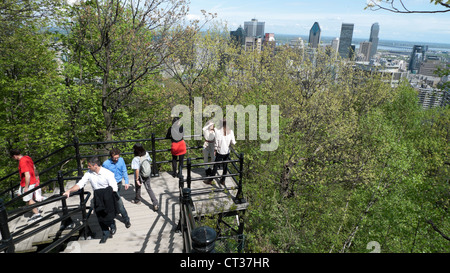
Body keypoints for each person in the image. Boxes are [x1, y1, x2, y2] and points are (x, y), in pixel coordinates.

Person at [63, 157, 118, 244]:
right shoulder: (89, 173)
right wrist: (69, 190)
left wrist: (109, 198)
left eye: (89, 166)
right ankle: (105, 233)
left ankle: (112, 223)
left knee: (108, 214)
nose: (88, 167)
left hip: (107, 194)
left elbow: (114, 187)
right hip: (97, 195)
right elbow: (80, 184)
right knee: (99, 215)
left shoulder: (107, 173)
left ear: (95, 165)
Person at [10, 149, 43, 224]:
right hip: (28, 181)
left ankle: (37, 215)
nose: (13, 159)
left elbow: (27, 175)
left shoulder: (22, 161)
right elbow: (34, 168)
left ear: (15, 156)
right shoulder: (27, 157)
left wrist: (26, 187)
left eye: (13, 157)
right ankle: (36, 207)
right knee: (22, 195)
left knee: (28, 199)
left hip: (28, 183)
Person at [102, 148, 131, 228]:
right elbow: (103, 176)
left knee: (115, 200)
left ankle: (117, 210)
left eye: (117, 157)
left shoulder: (121, 160)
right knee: (119, 203)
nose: (117, 159)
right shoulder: (106, 164)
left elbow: (124, 170)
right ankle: (126, 219)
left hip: (119, 183)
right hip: (111, 186)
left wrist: (127, 181)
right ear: (111, 156)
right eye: (115, 158)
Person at [204, 119, 236, 186]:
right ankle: (223, 180)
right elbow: (233, 142)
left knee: (215, 166)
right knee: (225, 166)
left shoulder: (218, 132)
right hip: (227, 151)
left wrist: (215, 150)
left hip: (220, 151)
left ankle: (210, 180)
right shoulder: (230, 131)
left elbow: (216, 143)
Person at [130, 143, 159, 211]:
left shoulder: (136, 158)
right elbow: (150, 161)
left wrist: (137, 179)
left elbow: (137, 170)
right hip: (147, 173)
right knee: (149, 188)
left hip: (139, 175)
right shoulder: (146, 154)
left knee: (138, 187)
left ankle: (138, 200)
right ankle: (155, 203)